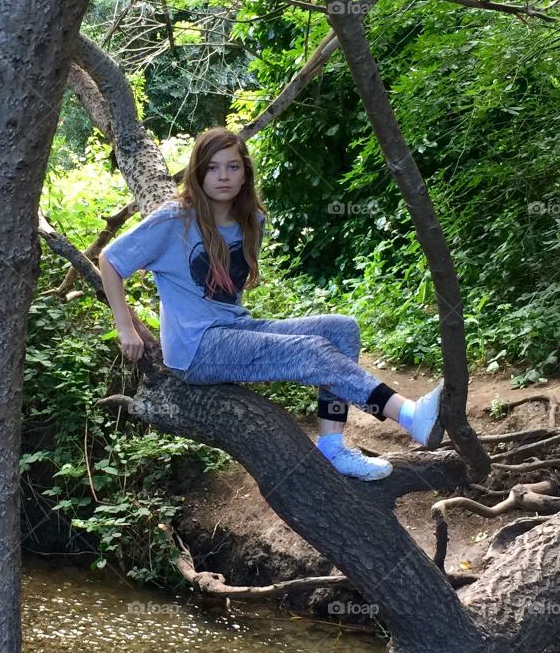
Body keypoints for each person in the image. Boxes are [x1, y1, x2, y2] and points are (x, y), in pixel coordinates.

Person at [98, 126, 445, 481]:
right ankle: (408, 416)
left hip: (236, 328)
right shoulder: (175, 220)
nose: (222, 177)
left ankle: (332, 446)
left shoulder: (252, 221)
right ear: (197, 171)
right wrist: (126, 327)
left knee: (341, 330)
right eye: (212, 167)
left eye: (232, 167)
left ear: (245, 172)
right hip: (196, 348)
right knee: (312, 352)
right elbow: (110, 260)